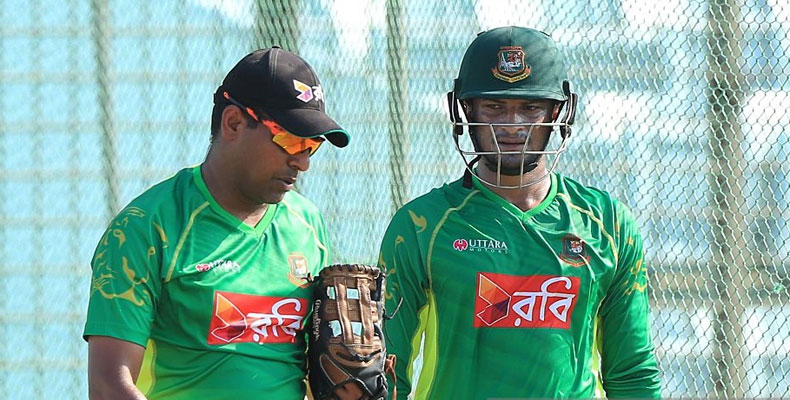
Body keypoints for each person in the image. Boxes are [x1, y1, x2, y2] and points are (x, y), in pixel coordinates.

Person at [379, 26, 662, 399]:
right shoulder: (421, 225)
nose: (512, 126)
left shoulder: (607, 224)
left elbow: (633, 372)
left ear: (558, 111)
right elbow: (388, 370)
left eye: (530, 108)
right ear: (465, 110)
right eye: (494, 107)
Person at [84, 47, 352, 399]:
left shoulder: (308, 225)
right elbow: (109, 387)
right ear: (233, 123)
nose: (303, 163)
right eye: (290, 140)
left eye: (311, 146)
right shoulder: (145, 228)